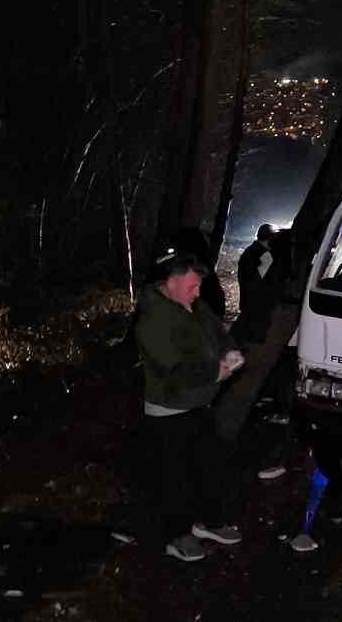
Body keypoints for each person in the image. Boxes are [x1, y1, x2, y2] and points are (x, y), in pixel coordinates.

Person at [135, 252, 246, 562]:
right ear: (171, 282)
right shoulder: (152, 319)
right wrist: (217, 372)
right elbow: (174, 370)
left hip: (200, 404)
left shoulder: (193, 303)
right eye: (192, 286)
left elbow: (217, 331)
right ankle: (176, 536)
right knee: (176, 478)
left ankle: (208, 523)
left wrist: (231, 352)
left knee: (210, 464)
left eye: (199, 287)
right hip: (170, 410)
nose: (198, 293)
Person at [236, 224, 278, 343]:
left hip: (247, 301)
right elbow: (260, 281)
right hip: (256, 307)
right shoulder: (265, 255)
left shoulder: (250, 250)